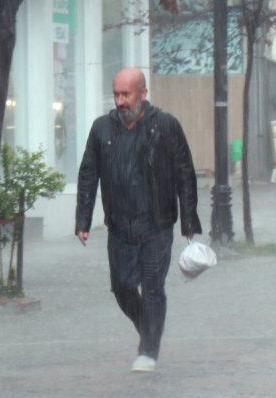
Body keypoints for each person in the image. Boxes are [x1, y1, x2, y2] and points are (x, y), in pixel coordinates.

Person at [75, 67, 202, 373]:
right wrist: (83, 218)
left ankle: (149, 349)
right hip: (119, 226)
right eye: (116, 94)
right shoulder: (101, 129)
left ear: (143, 94)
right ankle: (149, 326)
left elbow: (185, 172)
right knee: (121, 287)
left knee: (153, 287)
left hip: (156, 224)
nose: (120, 101)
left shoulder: (166, 126)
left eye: (126, 94)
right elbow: (88, 174)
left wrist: (188, 219)